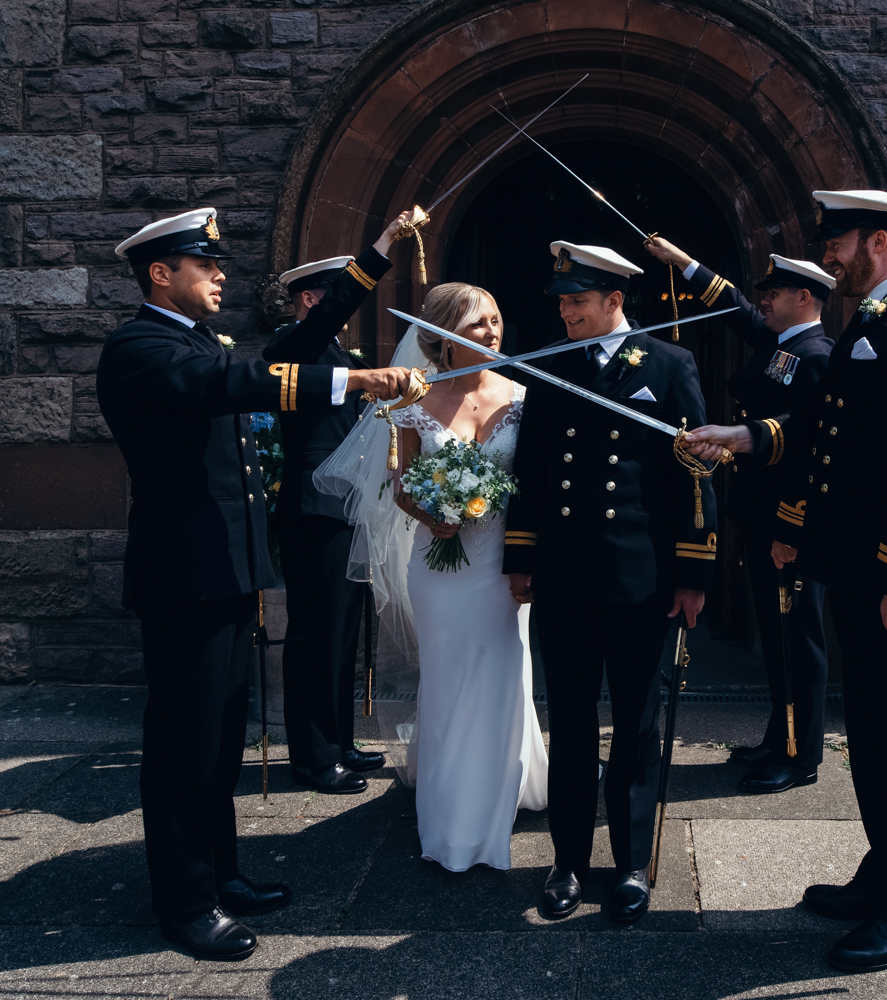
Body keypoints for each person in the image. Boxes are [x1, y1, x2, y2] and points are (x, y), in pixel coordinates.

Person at [96, 208, 410, 961]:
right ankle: (185, 901)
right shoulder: (141, 347)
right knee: (184, 746)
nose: (221, 276)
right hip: (184, 581)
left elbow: (277, 354)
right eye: (204, 265)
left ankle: (220, 872)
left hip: (227, 575)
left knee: (222, 741)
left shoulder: (197, 342)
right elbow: (231, 381)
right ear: (160, 274)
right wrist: (352, 377)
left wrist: (376, 257)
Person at [684, 190, 887, 973]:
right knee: (872, 738)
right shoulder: (872, 324)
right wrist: (741, 436)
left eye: (836, 243)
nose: (829, 258)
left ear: (876, 239)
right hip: (853, 568)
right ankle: (884, 871)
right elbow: (819, 425)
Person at [503, 242, 717, 923]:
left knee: (635, 726)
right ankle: (567, 863)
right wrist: (521, 555)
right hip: (565, 577)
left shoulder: (669, 365)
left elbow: (698, 474)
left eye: (577, 301)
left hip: (641, 581)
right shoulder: (552, 367)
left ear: (614, 301)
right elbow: (531, 469)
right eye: (562, 301)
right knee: (569, 725)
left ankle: (628, 864)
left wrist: (694, 572)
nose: (566, 312)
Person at [318, 283, 548, 871]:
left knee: (503, 672)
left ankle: (505, 785)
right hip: (439, 569)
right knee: (448, 681)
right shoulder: (413, 402)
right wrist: (434, 514)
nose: (493, 333)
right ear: (443, 336)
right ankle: (454, 816)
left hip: (501, 565)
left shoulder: (524, 395)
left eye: (496, 321)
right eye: (477, 326)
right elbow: (400, 486)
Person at [646, 238, 835, 794]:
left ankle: (800, 756)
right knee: (777, 640)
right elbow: (737, 312)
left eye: (774, 294)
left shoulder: (818, 358)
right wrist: (685, 262)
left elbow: (811, 456)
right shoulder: (785, 345)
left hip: (788, 528)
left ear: (803, 297)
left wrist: (789, 530)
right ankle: (780, 738)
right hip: (761, 519)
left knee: (798, 642)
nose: (765, 304)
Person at [263, 210, 416, 795]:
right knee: (315, 635)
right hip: (314, 509)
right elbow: (336, 310)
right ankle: (312, 758)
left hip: (344, 509)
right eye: (331, 296)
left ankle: (338, 740)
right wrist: (379, 250)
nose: (339, 311)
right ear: (309, 299)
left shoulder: (332, 354)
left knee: (342, 632)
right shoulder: (292, 344)